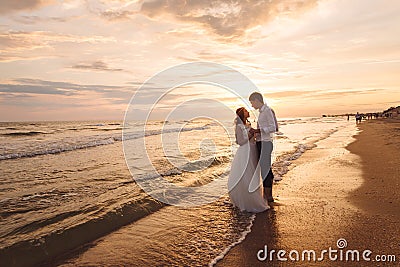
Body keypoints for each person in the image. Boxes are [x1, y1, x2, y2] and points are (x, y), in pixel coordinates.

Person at [228, 107, 269, 212]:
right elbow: (239, 141)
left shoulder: (248, 124)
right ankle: (247, 200)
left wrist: (257, 133)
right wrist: (251, 134)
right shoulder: (239, 126)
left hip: (253, 150)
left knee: (253, 174)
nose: (248, 112)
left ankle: (255, 196)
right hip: (245, 152)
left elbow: (252, 137)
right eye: (246, 111)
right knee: (247, 175)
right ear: (242, 114)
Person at [249, 92, 278, 203]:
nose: (252, 105)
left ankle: (268, 197)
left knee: (265, 170)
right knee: (264, 169)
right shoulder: (261, 112)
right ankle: (267, 195)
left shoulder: (267, 111)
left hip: (265, 143)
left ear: (257, 100)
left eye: (252, 102)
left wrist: (258, 131)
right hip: (261, 142)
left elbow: (273, 127)